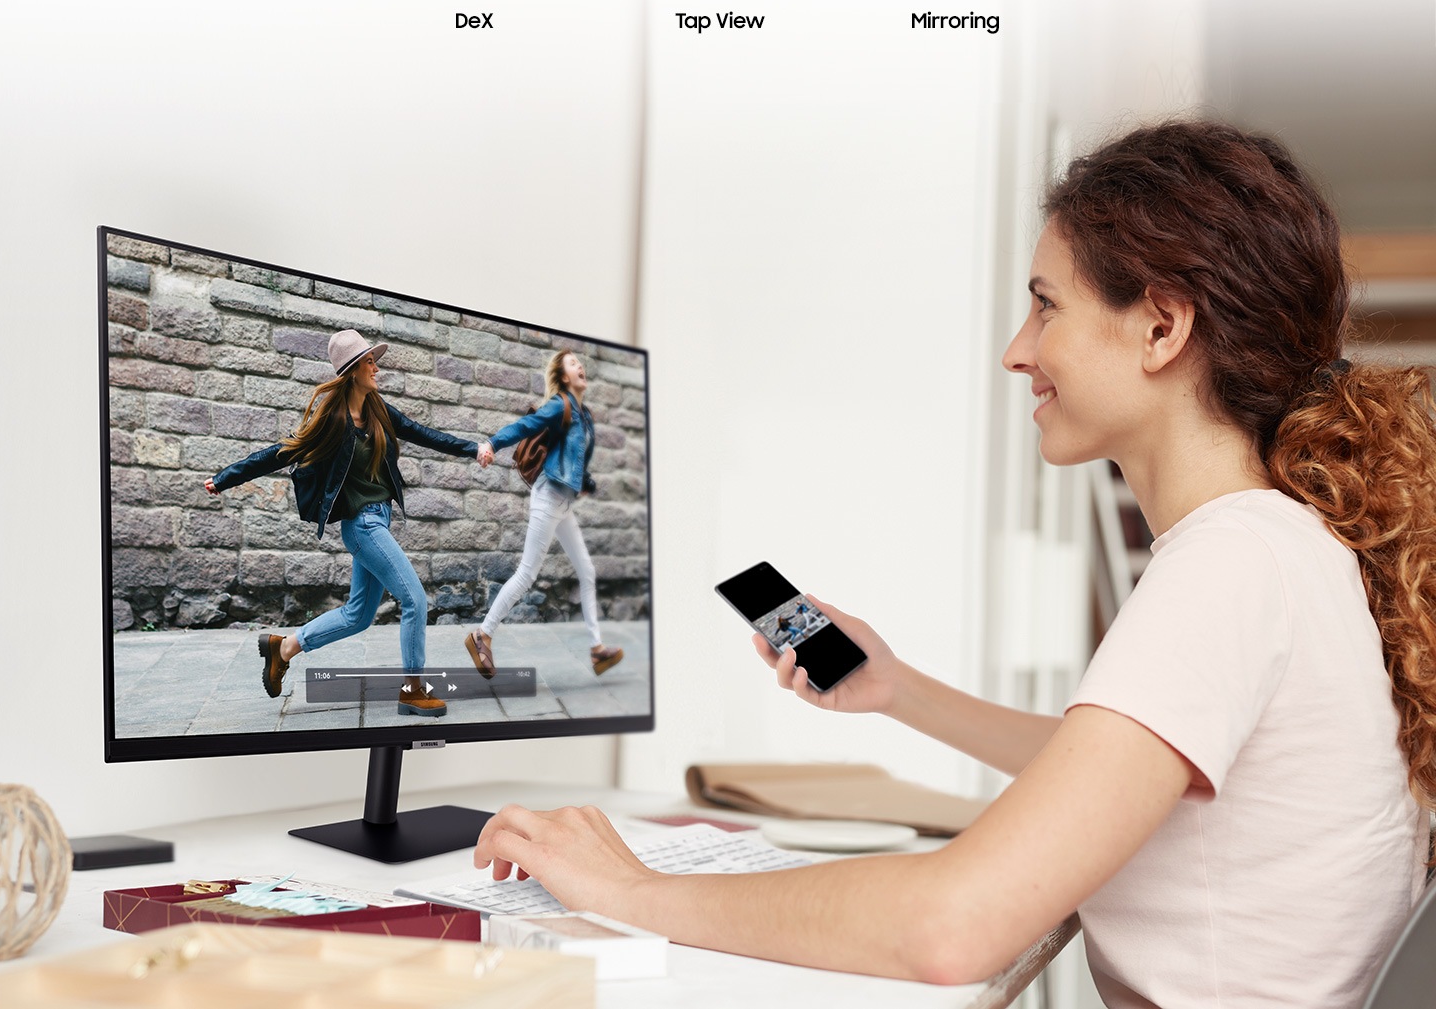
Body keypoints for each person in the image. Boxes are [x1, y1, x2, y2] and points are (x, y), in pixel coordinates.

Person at [469, 121, 1436, 1004]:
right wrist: (898, 689)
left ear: (1162, 327)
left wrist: (630, 888)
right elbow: (1117, 771)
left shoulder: (1229, 565)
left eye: (1046, 307)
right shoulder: (1281, 547)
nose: (1020, 352)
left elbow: (951, 927)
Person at [204, 328, 487, 718]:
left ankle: (283, 648)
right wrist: (225, 478)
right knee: (414, 599)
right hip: (362, 526)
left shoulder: (378, 410)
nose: (377, 368)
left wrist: (472, 448)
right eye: (370, 361)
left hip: (379, 521)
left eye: (374, 360)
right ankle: (413, 690)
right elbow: (280, 453)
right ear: (353, 370)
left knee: (358, 616)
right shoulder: (333, 421)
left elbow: (423, 434)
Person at [466, 349, 624, 679]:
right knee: (527, 574)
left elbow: (577, 461)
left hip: (563, 504)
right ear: (564, 377)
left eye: (580, 363)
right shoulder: (561, 405)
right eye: (573, 364)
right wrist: (493, 444)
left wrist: (586, 483)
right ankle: (482, 634)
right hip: (547, 497)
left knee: (587, 571)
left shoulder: (586, 415)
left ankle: (597, 651)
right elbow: (527, 425)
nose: (580, 366)